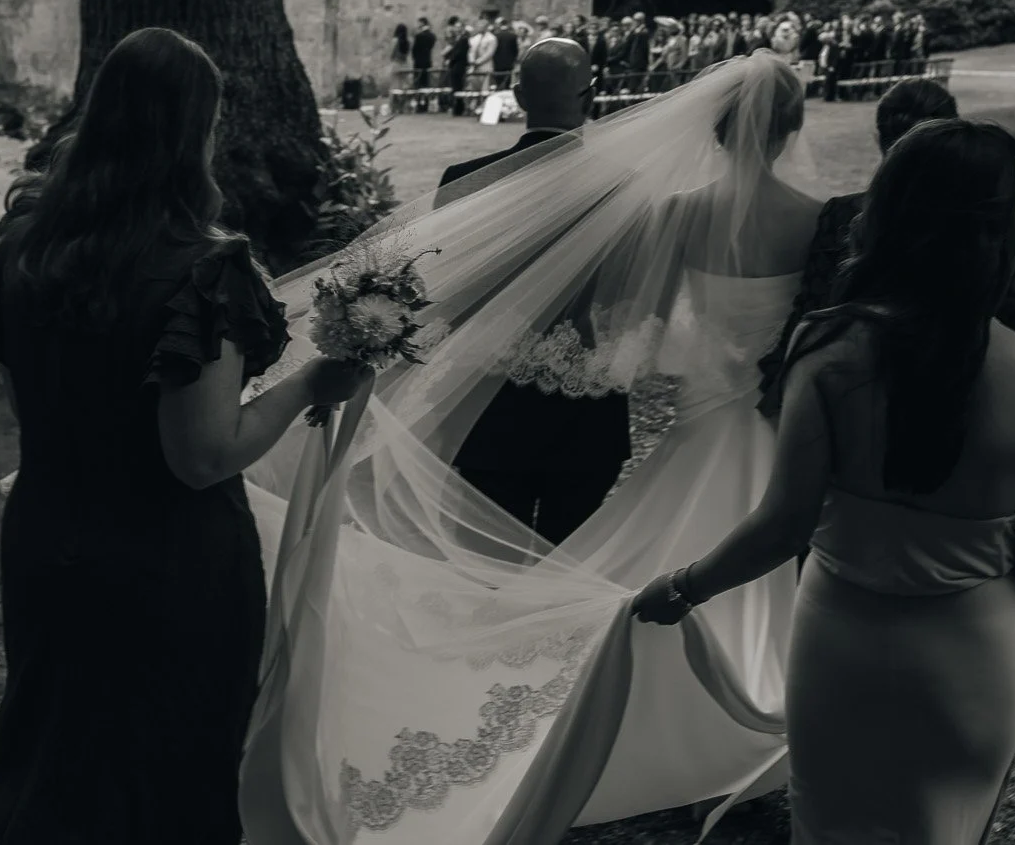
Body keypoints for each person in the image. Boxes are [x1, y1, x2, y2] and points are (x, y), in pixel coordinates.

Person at [238, 53, 828, 839]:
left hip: (530, 414)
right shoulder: (697, 201)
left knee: (536, 580)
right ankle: (737, 706)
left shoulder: (513, 182)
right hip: (677, 417)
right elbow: (651, 313)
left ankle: (533, 680)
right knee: (590, 557)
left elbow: (480, 293)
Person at [0, 28, 370, 845]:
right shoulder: (202, 267)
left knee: (52, 752)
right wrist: (310, 385)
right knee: (168, 767)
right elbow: (202, 455)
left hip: (49, 536)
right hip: (168, 563)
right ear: (192, 134)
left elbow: (26, 405)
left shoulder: (26, 246)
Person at [632, 117, 1015, 844]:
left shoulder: (830, 347)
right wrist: (956, 575)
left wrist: (685, 586)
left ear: (889, 212)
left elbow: (782, 525)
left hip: (842, 641)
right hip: (974, 656)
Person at [760, 77, 1015, 417]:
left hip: (854, 400)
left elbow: (813, 305)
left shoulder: (843, 214)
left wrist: (782, 373)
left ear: (879, 139)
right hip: (950, 402)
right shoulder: (972, 222)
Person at [433, 40, 622, 543]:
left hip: (488, 404)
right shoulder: (624, 185)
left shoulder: (463, 181)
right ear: (592, 95)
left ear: (516, 94)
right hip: (587, 408)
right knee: (568, 559)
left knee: (485, 559)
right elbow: (629, 295)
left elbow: (446, 291)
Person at [443, 16, 471, 114]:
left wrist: (450, 60)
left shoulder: (464, 39)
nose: (457, 29)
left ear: (462, 28)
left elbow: (459, 53)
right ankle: (457, 107)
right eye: (456, 27)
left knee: (458, 86)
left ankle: (459, 107)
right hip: (455, 65)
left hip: (459, 65)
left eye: (459, 27)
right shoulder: (457, 38)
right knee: (455, 86)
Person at [409, 17, 437, 96]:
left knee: (418, 83)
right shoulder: (432, 36)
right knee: (426, 83)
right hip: (427, 61)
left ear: (422, 23)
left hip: (418, 62)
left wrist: (415, 58)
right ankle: (426, 101)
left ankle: (418, 101)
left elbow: (414, 50)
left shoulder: (418, 36)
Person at [491, 19, 520, 91]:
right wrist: (513, 59)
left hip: (497, 62)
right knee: (507, 82)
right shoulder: (513, 36)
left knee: (498, 82)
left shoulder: (495, 36)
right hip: (509, 63)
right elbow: (515, 50)